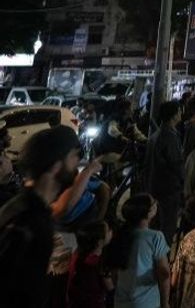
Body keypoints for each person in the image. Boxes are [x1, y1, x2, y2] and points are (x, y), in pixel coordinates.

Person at [0, 125, 81, 307]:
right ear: (56, 166)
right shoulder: (31, 222)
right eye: (73, 156)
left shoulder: (24, 206)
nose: (77, 162)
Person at [103, 194, 171, 308]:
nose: (156, 203)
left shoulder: (120, 236)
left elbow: (114, 273)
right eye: (153, 203)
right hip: (147, 303)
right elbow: (164, 273)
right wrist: (165, 303)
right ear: (148, 213)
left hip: (121, 302)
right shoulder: (155, 237)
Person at [144, 101, 185, 243]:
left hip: (156, 187)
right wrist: (183, 182)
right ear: (174, 115)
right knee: (167, 229)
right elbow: (176, 164)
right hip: (168, 190)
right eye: (179, 111)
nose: (181, 114)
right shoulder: (169, 136)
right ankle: (163, 255)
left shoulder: (156, 135)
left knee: (156, 227)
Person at [66, 220, 112, 308]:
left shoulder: (77, 255)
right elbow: (110, 289)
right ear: (99, 242)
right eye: (108, 230)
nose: (111, 231)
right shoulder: (96, 263)